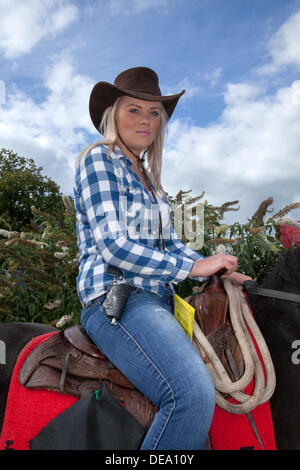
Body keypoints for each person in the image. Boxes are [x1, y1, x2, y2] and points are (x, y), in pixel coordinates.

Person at [74, 67, 251, 450]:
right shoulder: (98, 161)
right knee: (191, 394)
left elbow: (171, 246)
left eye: (154, 113)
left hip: (159, 301)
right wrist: (192, 268)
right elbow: (114, 247)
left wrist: (217, 268)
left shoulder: (151, 182)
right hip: (117, 299)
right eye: (134, 109)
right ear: (113, 115)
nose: (145, 120)